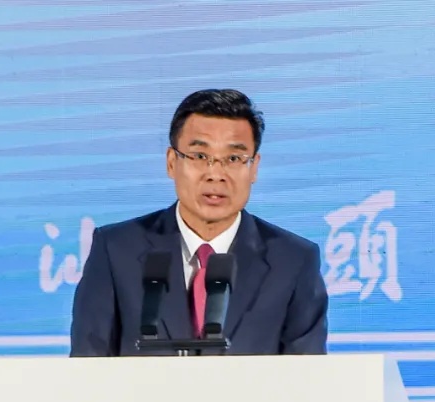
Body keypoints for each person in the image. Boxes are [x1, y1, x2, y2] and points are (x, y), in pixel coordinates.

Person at [69, 89, 328, 356]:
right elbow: (87, 366)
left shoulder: (294, 261)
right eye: (200, 156)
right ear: (172, 162)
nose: (215, 174)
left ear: (254, 168)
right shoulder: (115, 250)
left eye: (234, 159)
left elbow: (308, 373)